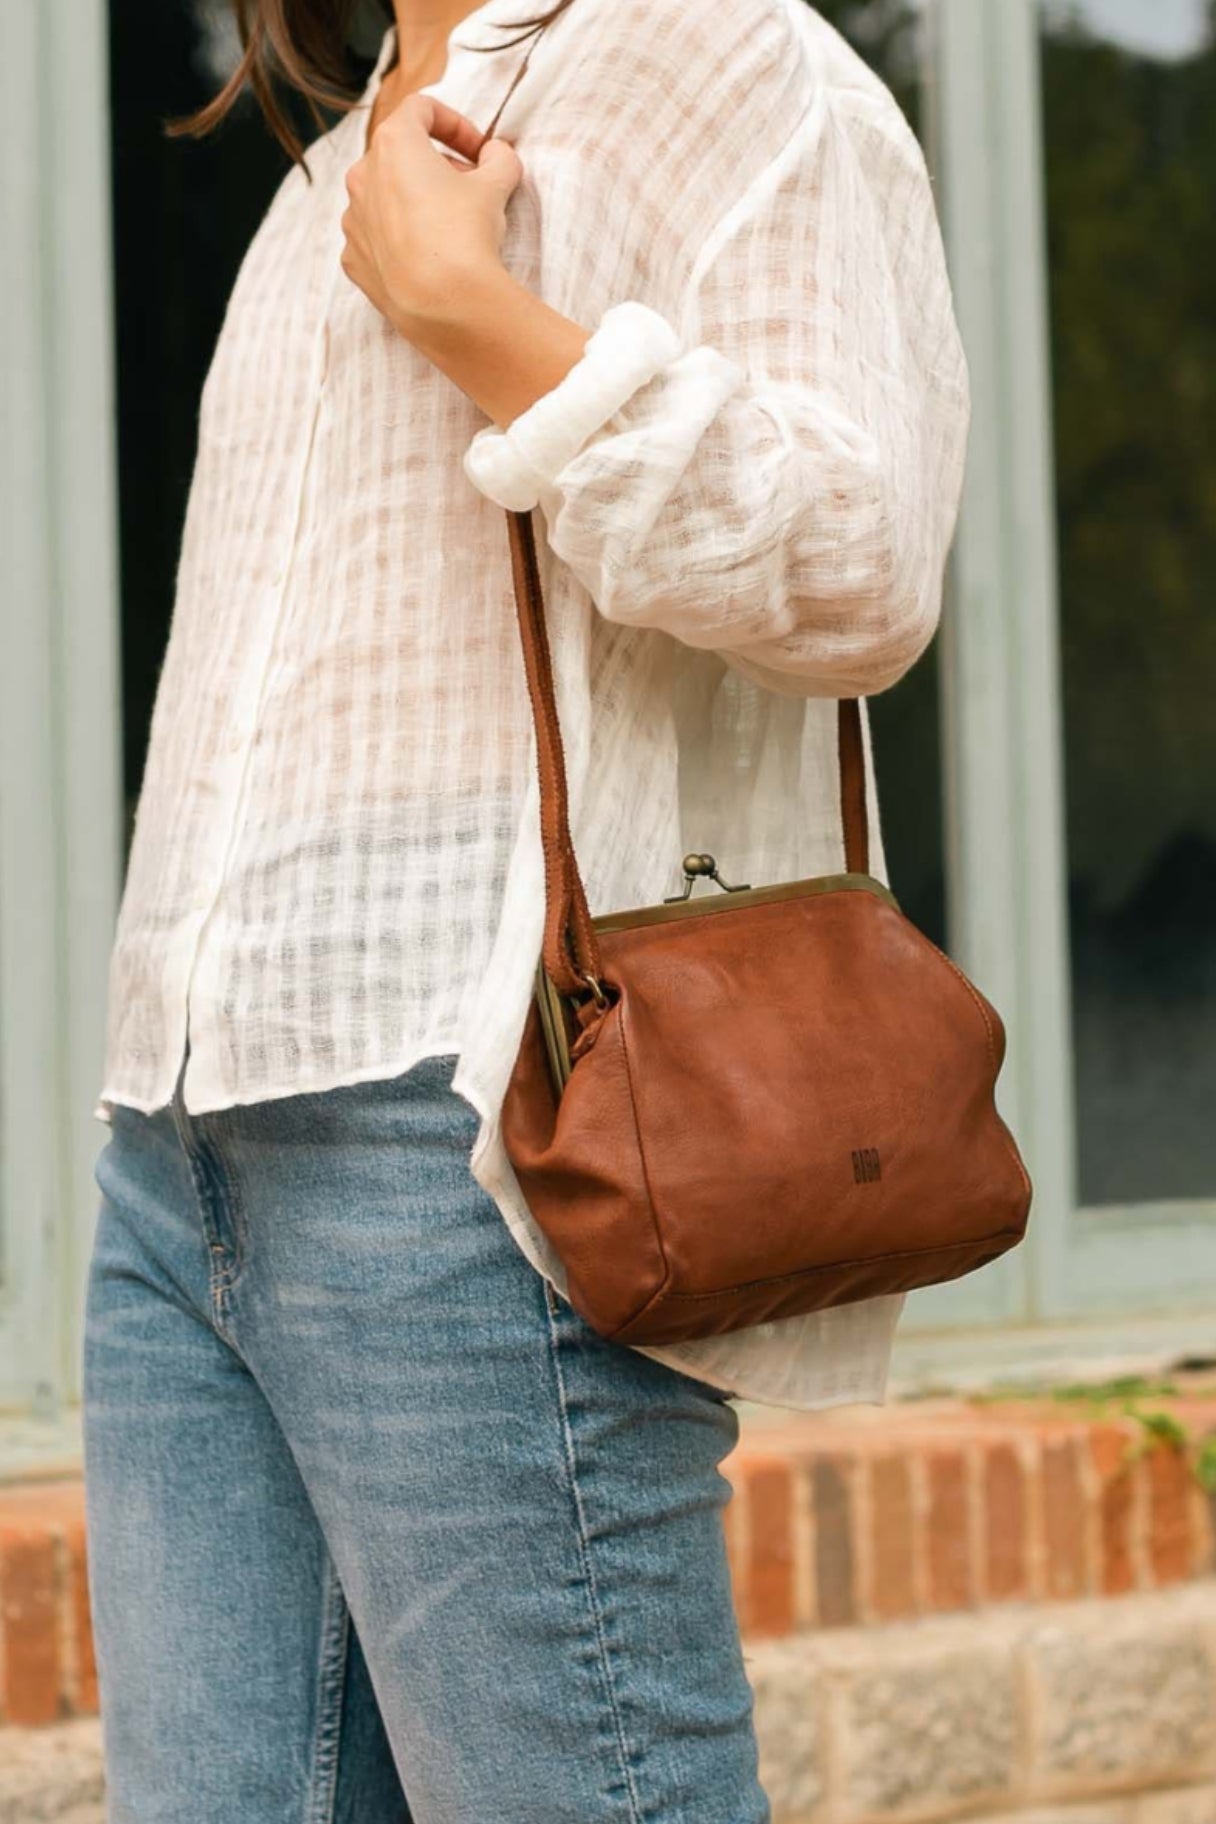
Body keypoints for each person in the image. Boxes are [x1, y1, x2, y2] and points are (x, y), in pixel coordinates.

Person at [82, 0, 970, 1816]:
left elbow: (863, 564)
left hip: (470, 1137)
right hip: (175, 1159)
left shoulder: (733, 65)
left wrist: (489, 325)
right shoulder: (322, 169)